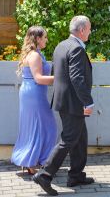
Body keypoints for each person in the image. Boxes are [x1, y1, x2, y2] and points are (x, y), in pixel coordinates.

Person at [33, 16, 94, 196]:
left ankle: (75, 175)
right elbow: (76, 78)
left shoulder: (62, 45)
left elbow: (56, 72)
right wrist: (87, 101)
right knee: (68, 139)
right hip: (73, 102)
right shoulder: (76, 48)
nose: (90, 32)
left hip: (64, 100)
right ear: (82, 30)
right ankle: (44, 175)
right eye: (89, 28)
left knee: (80, 137)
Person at [11, 26, 57, 174]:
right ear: (37, 39)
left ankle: (31, 162)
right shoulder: (35, 55)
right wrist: (61, 79)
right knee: (47, 127)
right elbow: (39, 78)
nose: (46, 40)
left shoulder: (35, 53)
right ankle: (36, 161)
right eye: (44, 37)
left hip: (32, 93)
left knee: (36, 127)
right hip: (34, 93)